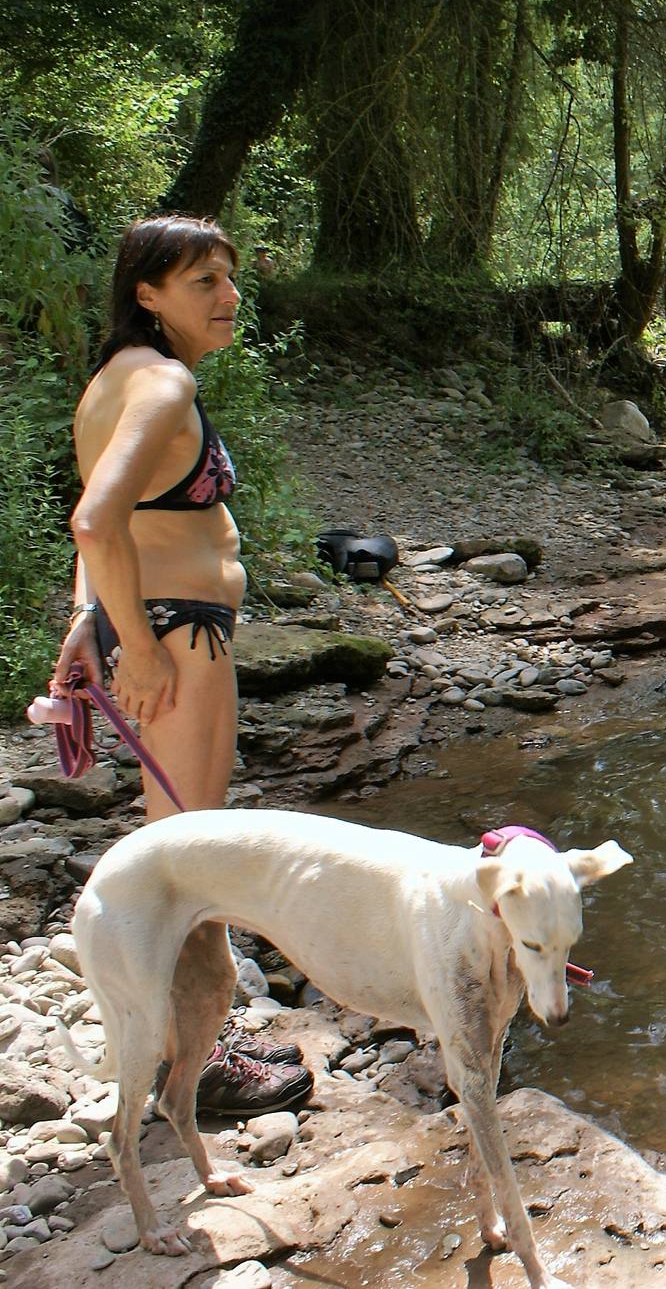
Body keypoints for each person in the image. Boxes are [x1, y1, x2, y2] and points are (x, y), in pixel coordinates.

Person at [50, 214, 311, 1116]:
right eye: (203, 281)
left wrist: (93, 623)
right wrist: (146, 648)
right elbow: (95, 521)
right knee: (193, 858)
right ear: (147, 294)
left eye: (230, 278)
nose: (228, 296)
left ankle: (184, 1044)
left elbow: (98, 523)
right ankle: (202, 1063)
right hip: (181, 640)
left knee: (175, 844)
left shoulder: (113, 380)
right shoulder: (161, 383)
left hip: (155, 627)